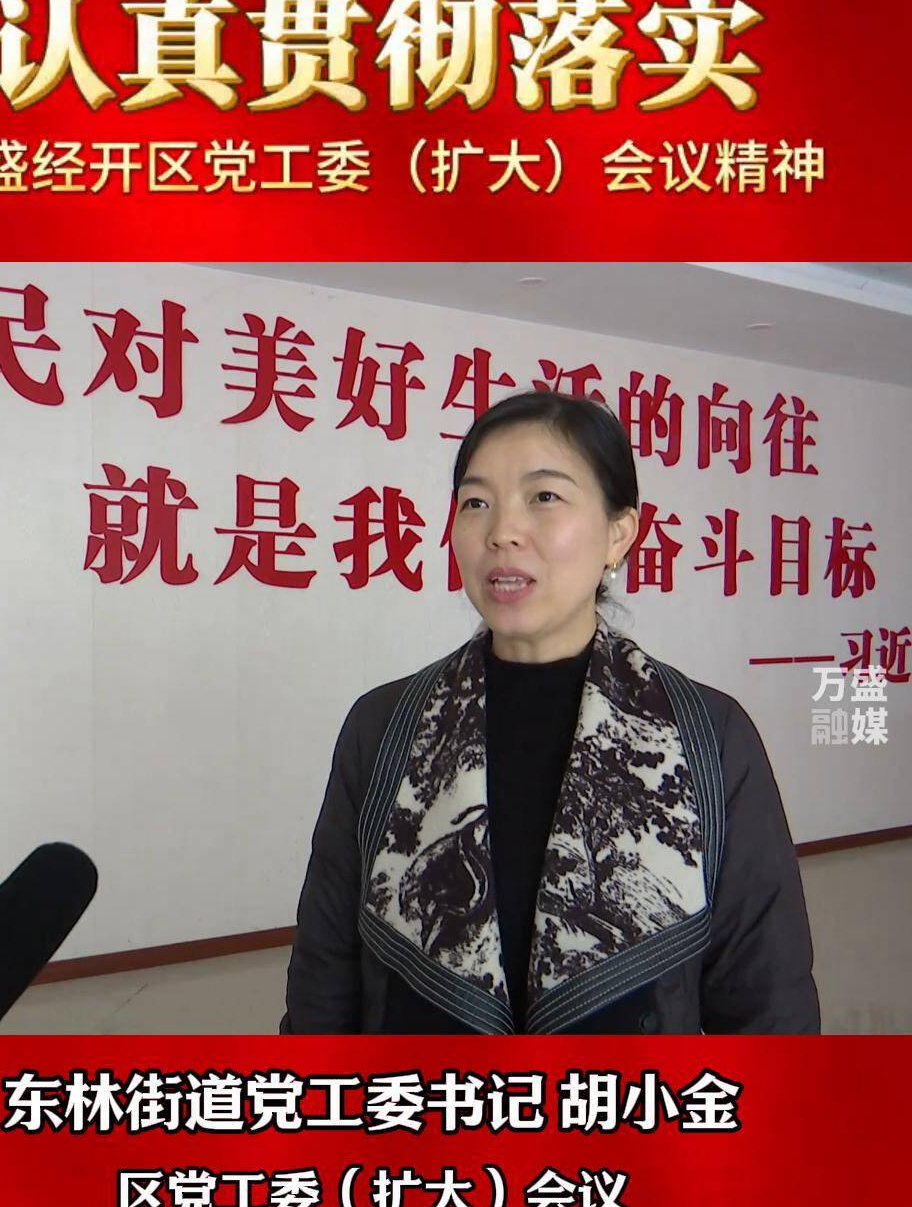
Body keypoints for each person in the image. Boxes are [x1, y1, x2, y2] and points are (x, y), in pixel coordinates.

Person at [282, 390, 820, 1035]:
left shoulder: (705, 735)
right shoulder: (385, 726)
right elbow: (325, 975)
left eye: (543, 496)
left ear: (618, 534)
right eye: (476, 502)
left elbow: (768, 1001)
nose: (502, 531)